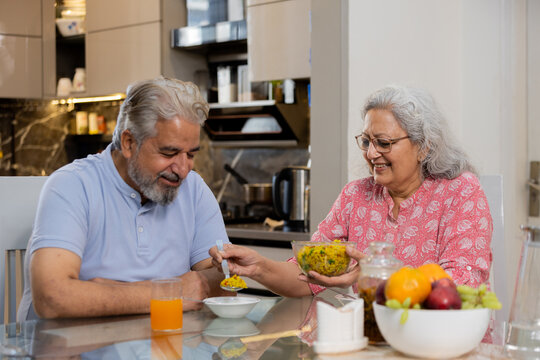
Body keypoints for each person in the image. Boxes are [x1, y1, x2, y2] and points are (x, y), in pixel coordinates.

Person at [209, 84, 493, 297]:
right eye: (367, 141)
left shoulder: (460, 192)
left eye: (383, 143)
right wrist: (258, 267)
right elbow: (306, 272)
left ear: (424, 146)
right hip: (374, 342)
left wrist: (375, 272)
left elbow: (461, 282)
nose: (371, 154)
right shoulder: (355, 196)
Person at [18, 77, 231, 321]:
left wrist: (106, 290)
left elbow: (225, 283)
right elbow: (52, 298)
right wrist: (171, 292)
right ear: (129, 143)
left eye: (191, 154)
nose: (182, 169)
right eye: (169, 152)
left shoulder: (194, 189)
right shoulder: (71, 185)